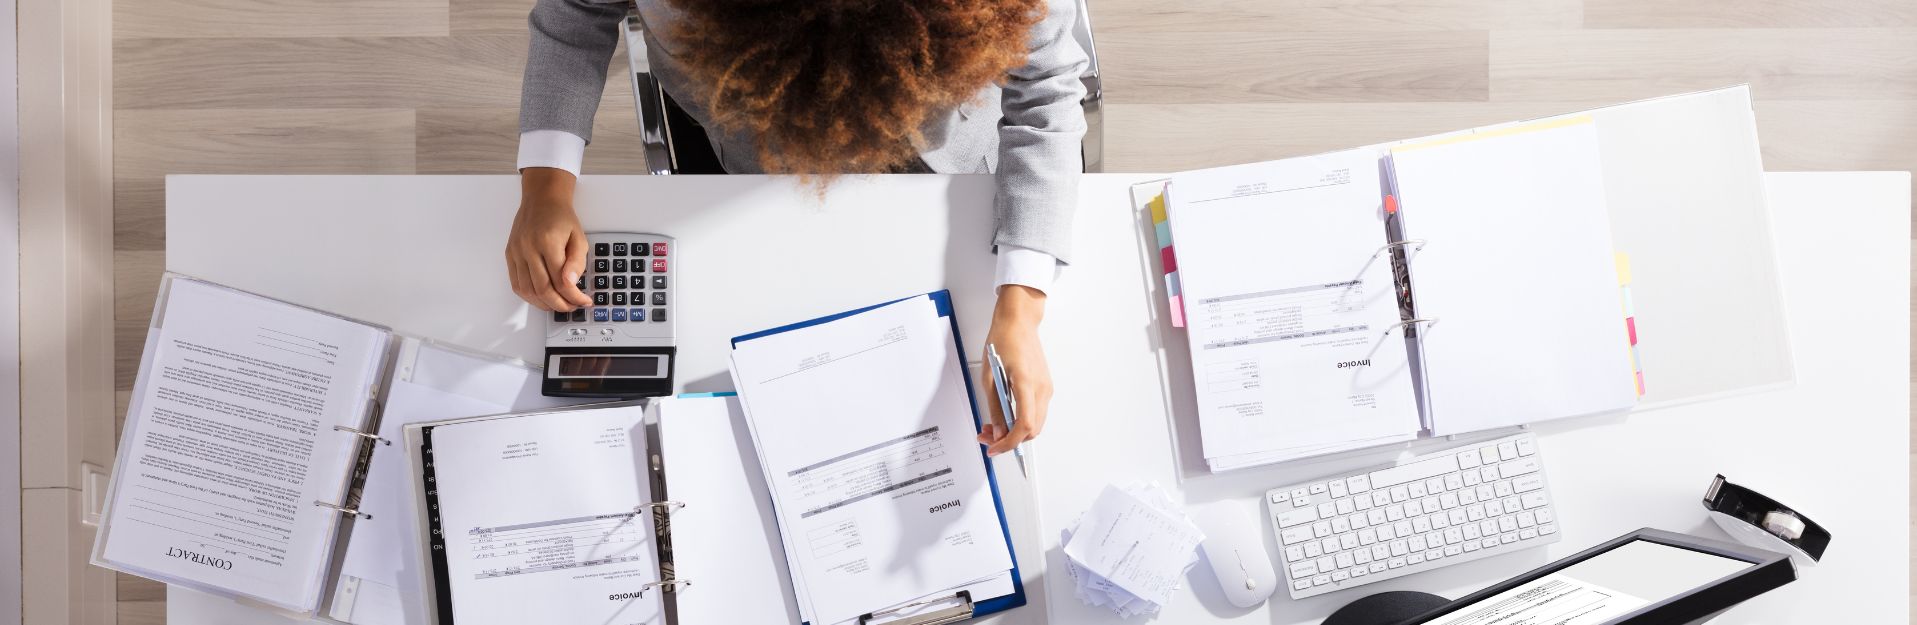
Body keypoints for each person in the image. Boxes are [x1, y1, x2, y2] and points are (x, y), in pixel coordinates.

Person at [504, 0, 1088, 457]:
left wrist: (1021, 306)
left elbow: (1046, 95)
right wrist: (546, 185)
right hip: (755, 153)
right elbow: (575, 13)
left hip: (947, 163)